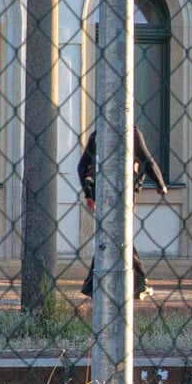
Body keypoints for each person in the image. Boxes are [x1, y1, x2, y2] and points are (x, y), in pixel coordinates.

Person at [78, 127, 168, 299]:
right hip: (124, 193)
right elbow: (147, 161)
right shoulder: (131, 133)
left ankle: (92, 283)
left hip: (102, 192)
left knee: (110, 236)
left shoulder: (98, 134)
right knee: (121, 236)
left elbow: (82, 166)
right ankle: (139, 284)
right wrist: (160, 184)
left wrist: (89, 193)